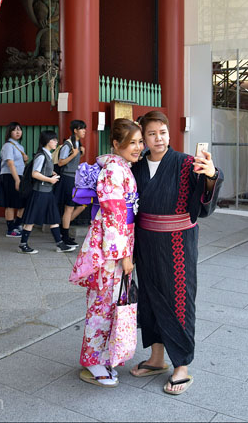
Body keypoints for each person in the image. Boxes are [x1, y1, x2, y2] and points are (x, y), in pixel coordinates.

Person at [130, 110, 223, 395]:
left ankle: (181, 364)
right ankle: (157, 358)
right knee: (148, 297)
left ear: (170, 133)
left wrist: (210, 175)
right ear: (143, 138)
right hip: (145, 241)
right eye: (152, 134)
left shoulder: (185, 163)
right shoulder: (135, 168)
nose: (159, 138)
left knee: (179, 300)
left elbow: (204, 203)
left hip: (178, 243)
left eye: (163, 132)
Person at [69, 118, 144, 387]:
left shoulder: (123, 167)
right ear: (116, 144)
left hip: (120, 243)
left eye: (139, 142)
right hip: (109, 250)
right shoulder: (114, 169)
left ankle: (102, 356)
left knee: (110, 304)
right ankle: (92, 361)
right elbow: (113, 214)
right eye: (131, 142)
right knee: (101, 304)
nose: (137, 147)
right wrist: (124, 255)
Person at [19, 130, 75, 255]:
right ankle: (23, 244)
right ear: (47, 141)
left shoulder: (47, 154)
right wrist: (50, 179)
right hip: (39, 193)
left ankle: (60, 244)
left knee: (53, 217)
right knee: (31, 219)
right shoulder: (41, 156)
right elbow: (35, 174)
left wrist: (51, 173)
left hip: (47, 192)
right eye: (53, 140)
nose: (56, 142)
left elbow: (42, 171)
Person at [0, 122, 28, 237]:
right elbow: (10, 163)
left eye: (19, 130)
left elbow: (18, 163)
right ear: (9, 132)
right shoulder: (7, 146)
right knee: (10, 204)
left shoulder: (19, 146)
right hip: (9, 176)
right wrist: (17, 180)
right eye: (15, 130)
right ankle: (10, 229)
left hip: (19, 176)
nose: (18, 132)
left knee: (23, 202)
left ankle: (17, 225)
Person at [55, 119, 87, 247]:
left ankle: (64, 230)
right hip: (67, 178)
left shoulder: (78, 144)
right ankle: (65, 235)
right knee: (69, 207)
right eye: (82, 128)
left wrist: (79, 153)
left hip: (74, 178)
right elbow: (61, 162)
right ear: (75, 130)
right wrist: (74, 155)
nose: (84, 131)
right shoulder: (68, 145)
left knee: (80, 205)